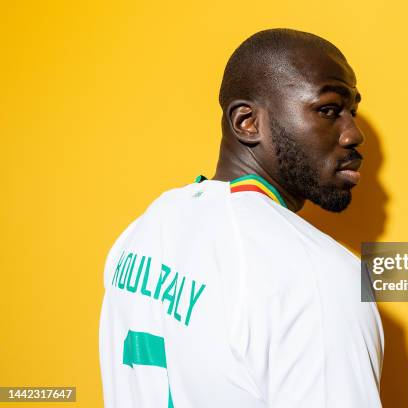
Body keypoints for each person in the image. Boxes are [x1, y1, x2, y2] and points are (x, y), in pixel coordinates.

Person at [99, 28, 383, 408]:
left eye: (353, 111)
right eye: (328, 110)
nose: (354, 134)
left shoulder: (139, 232)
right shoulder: (319, 277)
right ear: (248, 122)